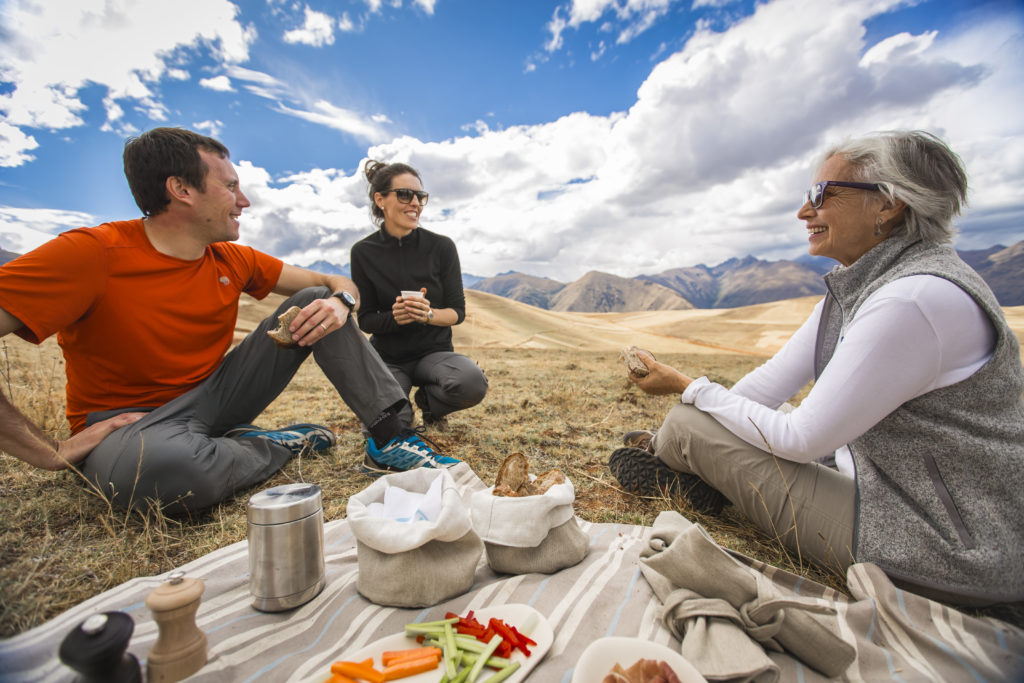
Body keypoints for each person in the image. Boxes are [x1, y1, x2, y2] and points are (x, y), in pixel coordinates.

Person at [609, 130, 1024, 607]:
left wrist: (687, 390)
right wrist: (706, 418)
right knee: (720, 415)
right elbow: (767, 385)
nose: (804, 211)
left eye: (821, 195)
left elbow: (801, 440)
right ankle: (683, 461)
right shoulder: (864, 285)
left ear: (888, 205)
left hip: (937, 543)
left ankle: (677, 462)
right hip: (884, 488)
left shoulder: (913, 300)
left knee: (691, 418)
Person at [0, 127, 457, 516]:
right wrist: (49, 452)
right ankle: (278, 445)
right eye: (230, 187)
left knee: (315, 299)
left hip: (216, 397)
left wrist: (341, 302)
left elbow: (332, 280)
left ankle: (390, 436)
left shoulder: (230, 258)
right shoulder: (90, 254)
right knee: (169, 474)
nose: (245, 201)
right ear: (181, 190)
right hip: (129, 426)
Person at [350, 160, 487, 474]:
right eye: (404, 195)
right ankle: (399, 407)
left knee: (470, 382)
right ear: (380, 199)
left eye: (419, 197)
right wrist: (394, 318)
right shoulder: (363, 252)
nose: (415, 203)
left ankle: (429, 403)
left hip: (434, 354)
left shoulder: (441, 247)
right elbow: (366, 319)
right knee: (388, 426)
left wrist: (428, 314)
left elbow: (458, 312)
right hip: (389, 358)